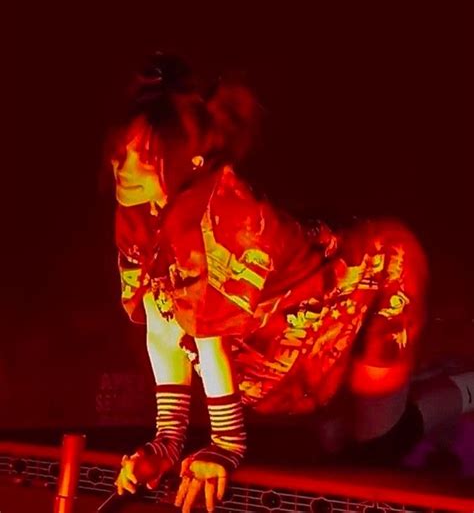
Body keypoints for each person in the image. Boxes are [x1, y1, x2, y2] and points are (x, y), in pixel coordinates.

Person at [109, 53, 474, 513]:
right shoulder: (141, 213)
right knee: (333, 439)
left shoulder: (223, 213)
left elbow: (208, 339)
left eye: (145, 154)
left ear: (187, 156)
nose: (123, 165)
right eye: (122, 149)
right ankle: (420, 384)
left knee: (377, 451)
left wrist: (225, 445)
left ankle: (468, 386)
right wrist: (166, 441)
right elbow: (161, 323)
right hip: (280, 356)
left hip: (374, 279)